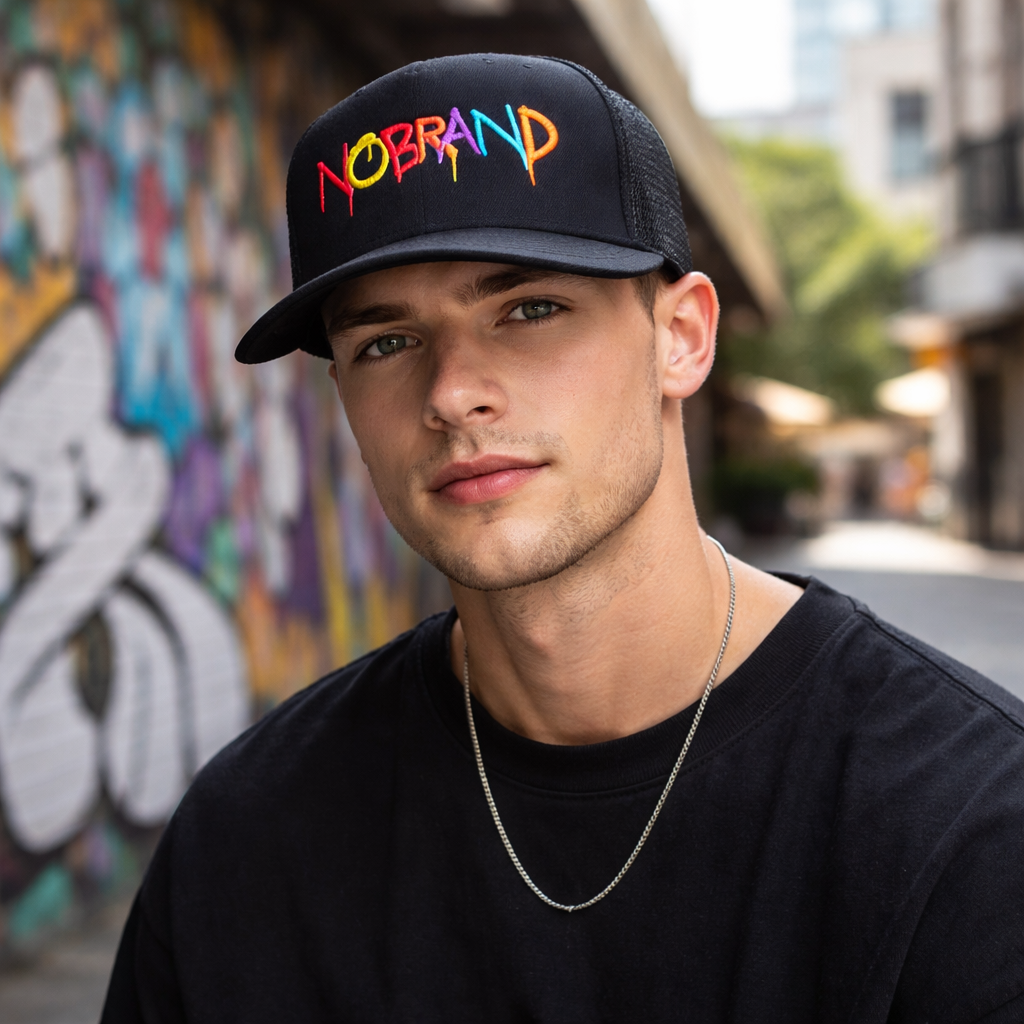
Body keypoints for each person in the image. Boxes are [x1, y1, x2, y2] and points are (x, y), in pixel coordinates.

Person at [101, 54, 1024, 1023]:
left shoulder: (964, 823)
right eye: (384, 341)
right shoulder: (251, 836)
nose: (453, 391)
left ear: (681, 336)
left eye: (529, 309)